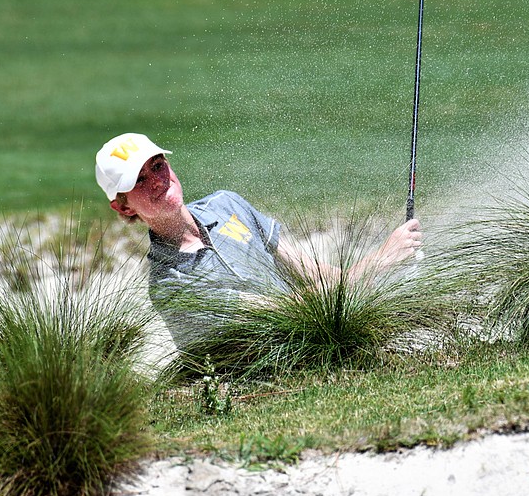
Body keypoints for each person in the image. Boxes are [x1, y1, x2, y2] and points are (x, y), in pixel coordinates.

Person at [95, 132, 422, 350]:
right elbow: (286, 313)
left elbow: (315, 276)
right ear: (123, 206)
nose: (157, 181)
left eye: (157, 165)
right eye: (139, 180)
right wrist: (378, 262)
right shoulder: (171, 285)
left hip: (324, 335)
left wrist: (386, 262)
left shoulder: (227, 205)